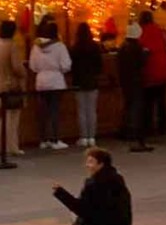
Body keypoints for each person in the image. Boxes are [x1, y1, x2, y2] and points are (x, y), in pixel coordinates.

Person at [53, 147, 132, 225]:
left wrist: (61, 193)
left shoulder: (94, 185)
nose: (87, 165)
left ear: (101, 164)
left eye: (91, 162)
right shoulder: (117, 179)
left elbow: (82, 209)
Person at [29, 21, 71, 150]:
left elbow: (33, 66)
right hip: (56, 81)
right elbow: (66, 65)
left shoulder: (36, 47)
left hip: (41, 81)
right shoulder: (60, 46)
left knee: (42, 112)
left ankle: (43, 139)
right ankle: (55, 139)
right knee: (55, 111)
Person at [138, 10, 166, 136]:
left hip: (149, 71)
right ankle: (162, 127)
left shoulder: (141, 33)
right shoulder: (161, 30)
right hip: (164, 70)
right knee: (161, 100)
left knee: (148, 102)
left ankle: (148, 128)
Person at [117, 22, 152, 152]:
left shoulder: (122, 47)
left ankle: (127, 132)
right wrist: (146, 55)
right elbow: (141, 63)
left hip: (125, 82)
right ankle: (137, 138)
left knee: (128, 107)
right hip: (136, 82)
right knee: (137, 110)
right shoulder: (137, 48)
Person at [71, 23, 103, 148]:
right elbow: (99, 65)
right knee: (92, 110)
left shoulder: (75, 48)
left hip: (79, 81)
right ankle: (92, 137)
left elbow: (71, 66)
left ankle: (84, 137)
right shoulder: (95, 47)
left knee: (82, 110)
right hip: (92, 81)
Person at [0, 20, 27, 156]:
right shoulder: (12, 46)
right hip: (11, 86)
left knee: (2, 118)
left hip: (0, 86)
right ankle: (12, 147)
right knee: (12, 118)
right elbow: (17, 67)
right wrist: (24, 73)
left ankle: (2, 146)